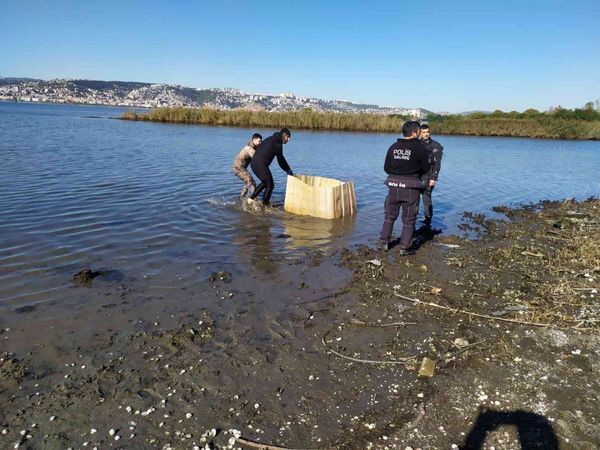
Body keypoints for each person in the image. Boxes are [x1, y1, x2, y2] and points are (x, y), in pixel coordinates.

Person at [379, 121, 432, 254]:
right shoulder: (420, 148)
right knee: (409, 219)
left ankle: (384, 243)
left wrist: (398, 174)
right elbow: (426, 168)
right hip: (411, 188)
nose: (420, 134)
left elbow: (386, 168)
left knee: (389, 216)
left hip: (393, 186)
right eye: (419, 132)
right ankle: (404, 248)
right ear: (414, 133)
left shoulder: (393, 147)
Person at [248, 128, 293, 206]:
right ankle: (265, 205)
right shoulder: (277, 143)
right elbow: (280, 159)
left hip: (254, 163)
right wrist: (288, 169)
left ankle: (251, 199)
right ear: (284, 135)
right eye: (288, 137)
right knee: (270, 184)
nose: (288, 139)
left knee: (266, 182)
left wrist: (286, 169)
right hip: (260, 164)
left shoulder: (272, 138)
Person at [419, 124, 444, 226]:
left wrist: (434, 178)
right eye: (424, 132)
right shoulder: (416, 144)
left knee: (427, 197)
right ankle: (413, 218)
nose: (426, 134)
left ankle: (428, 219)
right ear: (420, 133)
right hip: (417, 175)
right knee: (414, 198)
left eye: (427, 132)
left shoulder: (436, 145)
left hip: (429, 175)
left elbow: (437, 164)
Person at [232, 133, 262, 198]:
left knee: (249, 183)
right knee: (251, 182)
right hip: (238, 168)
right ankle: (246, 198)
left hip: (240, 168)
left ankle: (244, 197)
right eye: (259, 141)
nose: (260, 142)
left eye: (261, 141)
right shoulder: (249, 148)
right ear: (254, 140)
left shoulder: (252, 145)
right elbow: (257, 159)